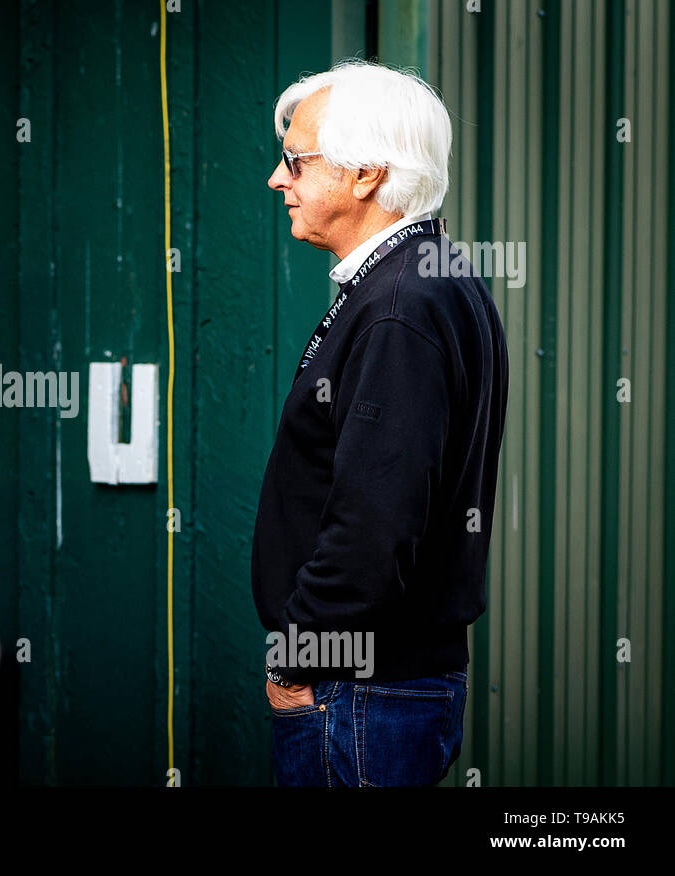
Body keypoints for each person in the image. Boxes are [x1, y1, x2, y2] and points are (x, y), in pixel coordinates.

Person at [251, 60, 508, 787]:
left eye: (296, 160)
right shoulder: (430, 276)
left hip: (359, 690)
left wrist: (300, 661)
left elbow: (375, 519)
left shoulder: (401, 303)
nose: (278, 179)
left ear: (365, 174)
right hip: (378, 686)